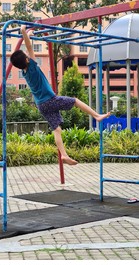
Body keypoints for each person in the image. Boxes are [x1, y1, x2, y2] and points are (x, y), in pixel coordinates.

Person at [10, 25, 110, 165]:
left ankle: (63, 155)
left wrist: (29, 35)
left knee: (57, 129)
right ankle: (96, 115)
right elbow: (29, 48)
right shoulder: (32, 66)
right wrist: (23, 32)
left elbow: (27, 51)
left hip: (41, 105)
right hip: (50, 100)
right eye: (27, 56)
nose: (29, 56)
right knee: (75, 100)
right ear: (27, 60)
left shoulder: (26, 72)